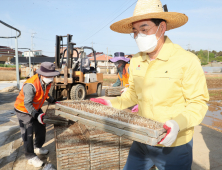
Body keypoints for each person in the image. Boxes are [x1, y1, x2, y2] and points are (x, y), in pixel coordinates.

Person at [90, 0, 209, 170]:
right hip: (142, 138)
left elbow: (198, 103)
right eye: (135, 32)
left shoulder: (186, 61)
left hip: (174, 144)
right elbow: (132, 94)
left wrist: (177, 124)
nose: (139, 36)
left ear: (162, 27)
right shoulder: (137, 60)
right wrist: (110, 103)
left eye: (144, 30)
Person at [14, 62, 60, 168]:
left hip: (35, 108)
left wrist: (53, 101)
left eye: (53, 76)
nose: (51, 78)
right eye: (49, 76)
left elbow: (45, 93)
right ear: (42, 74)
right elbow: (27, 103)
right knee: (28, 133)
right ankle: (30, 156)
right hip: (23, 110)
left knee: (41, 128)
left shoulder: (46, 82)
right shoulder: (30, 85)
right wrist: (36, 115)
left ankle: (37, 147)